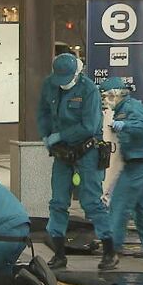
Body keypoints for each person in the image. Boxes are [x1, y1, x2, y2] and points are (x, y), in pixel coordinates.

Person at [37, 53, 116, 270]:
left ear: (77, 73)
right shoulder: (50, 85)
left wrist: (61, 135)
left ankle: (110, 252)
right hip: (63, 154)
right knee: (58, 203)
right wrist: (46, 135)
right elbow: (43, 112)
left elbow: (89, 126)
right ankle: (59, 254)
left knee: (91, 202)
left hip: (87, 151)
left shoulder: (88, 89)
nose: (63, 84)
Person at [100, 78, 143, 258]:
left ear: (116, 94)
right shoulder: (123, 109)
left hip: (139, 165)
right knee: (141, 207)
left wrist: (125, 125)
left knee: (119, 204)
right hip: (142, 162)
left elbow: (142, 127)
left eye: (106, 96)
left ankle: (112, 247)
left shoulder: (131, 108)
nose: (105, 100)